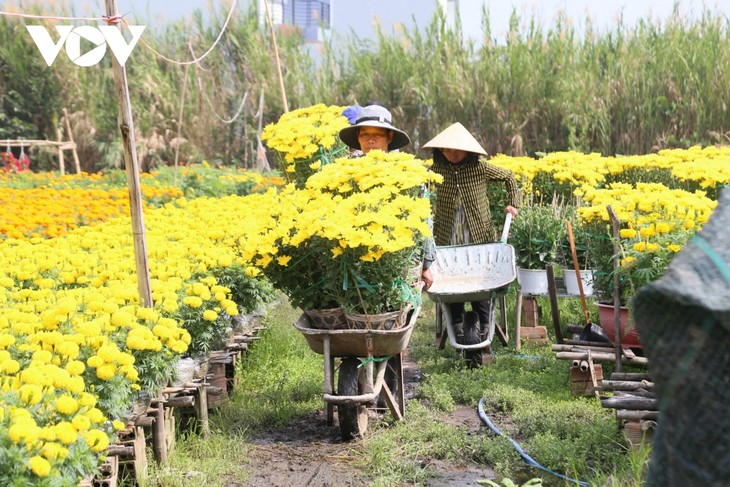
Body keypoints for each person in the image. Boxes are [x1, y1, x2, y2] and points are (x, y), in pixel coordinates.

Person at [422, 122, 520, 333]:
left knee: (481, 278)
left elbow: (509, 177)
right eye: (448, 150)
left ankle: (485, 324)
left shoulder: (480, 168)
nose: (453, 154)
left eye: (457, 150)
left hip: (478, 233)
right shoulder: (436, 170)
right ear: (440, 151)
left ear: (468, 151)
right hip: (448, 233)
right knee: (451, 277)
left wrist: (513, 204)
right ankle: (455, 324)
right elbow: (420, 186)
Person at [339, 104, 410, 155]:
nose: (370, 140)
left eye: (377, 134)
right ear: (358, 136)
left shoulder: (403, 172)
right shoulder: (346, 173)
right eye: (365, 134)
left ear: (389, 137)